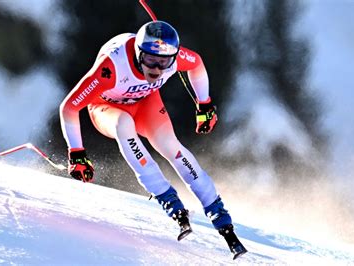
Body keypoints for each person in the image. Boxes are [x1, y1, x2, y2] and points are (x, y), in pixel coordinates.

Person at [59, 20, 247, 259]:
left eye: (164, 62)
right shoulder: (113, 66)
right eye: (150, 60)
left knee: (171, 146)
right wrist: (77, 152)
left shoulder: (172, 59)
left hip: (145, 103)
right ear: (138, 53)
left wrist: (205, 104)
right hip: (106, 108)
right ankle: (165, 195)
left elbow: (196, 63)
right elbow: (69, 107)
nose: (157, 69)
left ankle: (217, 209)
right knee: (123, 125)